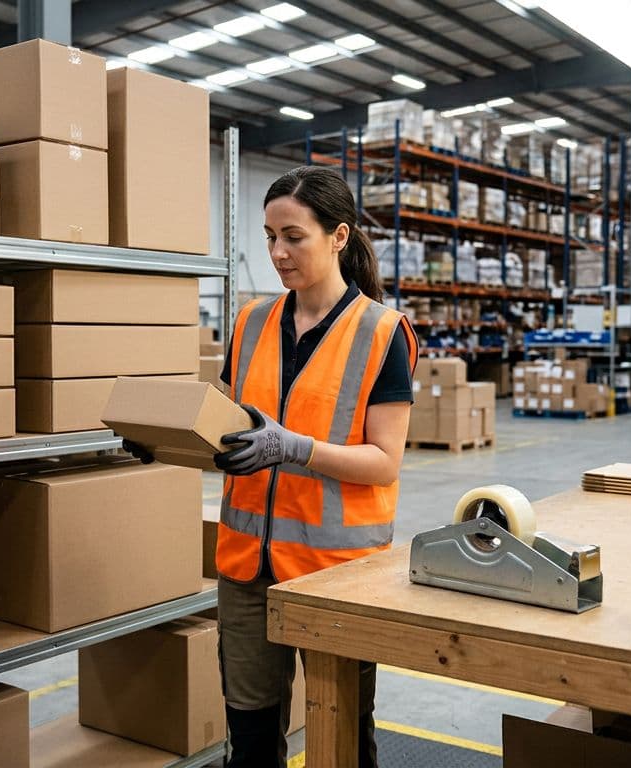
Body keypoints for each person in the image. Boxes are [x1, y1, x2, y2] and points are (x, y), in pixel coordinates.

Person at [208, 165, 418, 767]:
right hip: (246, 568)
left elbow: (384, 462)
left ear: (339, 237)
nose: (277, 252)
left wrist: (294, 449)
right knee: (249, 739)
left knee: (343, 739)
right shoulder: (250, 323)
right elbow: (225, 425)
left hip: (334, 574)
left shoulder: (382, 333)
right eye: (269, 235)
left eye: (293, 236)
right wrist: (168, 443)